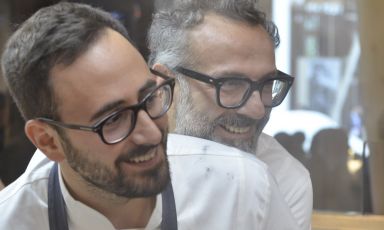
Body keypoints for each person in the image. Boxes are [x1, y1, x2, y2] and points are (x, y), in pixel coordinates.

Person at [0, 2, 299, 229]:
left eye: (150, 98)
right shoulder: (14, 218)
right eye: (114, 118)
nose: (152, 133)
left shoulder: (242, 192)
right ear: (48, 141)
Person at [148, 0, 313, 229]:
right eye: (231, 83)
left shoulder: (282, 178)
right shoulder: (115, 154)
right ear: (165, 84)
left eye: (267, 83)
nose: (257, 109)